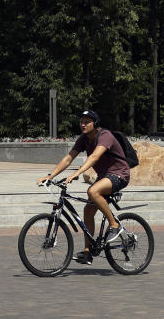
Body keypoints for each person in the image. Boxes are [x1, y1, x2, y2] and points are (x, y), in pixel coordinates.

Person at [38, 110, 131, 265]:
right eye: (81, 121)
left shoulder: (105, 135)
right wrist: (50, 176)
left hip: (120, 174)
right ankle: (88, 252)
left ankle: (114, 225)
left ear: (95, 124)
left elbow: (94, 157)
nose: (83, 124)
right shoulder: (83, 139)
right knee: (88, 210)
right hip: (105, 177)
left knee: (92, 191)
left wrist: (77, 173)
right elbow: (69, 158)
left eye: (87, 121)